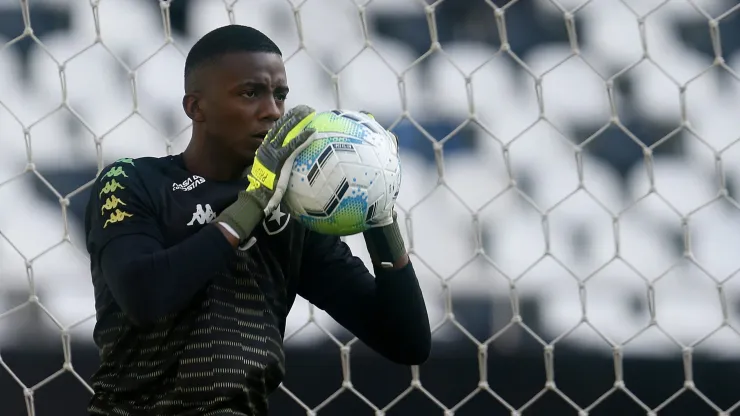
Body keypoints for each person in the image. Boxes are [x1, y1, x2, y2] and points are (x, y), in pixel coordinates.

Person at [83, 24, 431, 416]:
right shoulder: (132, 180)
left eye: (279, 95)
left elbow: (407, 342)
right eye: (251, 93)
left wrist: (378, 212)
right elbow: (145, 296)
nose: (272, 111)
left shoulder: (290, 214)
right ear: (195, 107)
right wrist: (252, 202)